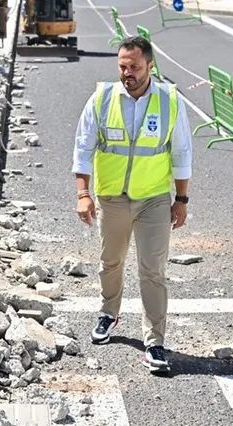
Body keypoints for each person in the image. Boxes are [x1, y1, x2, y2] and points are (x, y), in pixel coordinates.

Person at [71, 35, 193, 375]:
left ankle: (154, 342)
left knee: (153, 269)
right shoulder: (102, 99)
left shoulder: (170, 101)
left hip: (154, 199)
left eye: (135, 67)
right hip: (112, 198)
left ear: (150, 66)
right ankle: (108, 313)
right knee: (111, 262)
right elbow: (83, 147)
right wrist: (83, 194)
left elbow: (181, 151)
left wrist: (181, 199)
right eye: (123, 67)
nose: (128, 73)